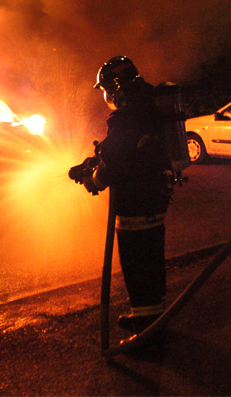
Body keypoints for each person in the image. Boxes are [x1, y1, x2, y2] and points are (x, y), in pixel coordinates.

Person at [75, 56, 173, 343]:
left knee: (137, 266)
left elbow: (116, 163)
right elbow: (119, 149)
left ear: (114, 88)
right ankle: (152, 319)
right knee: (152, 262)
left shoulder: (127, 114)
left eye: (105, 88)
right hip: (155, 196)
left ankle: (147, 336)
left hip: (135, 201)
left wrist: (92, 180)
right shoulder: (149, 103)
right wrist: (91, 161)